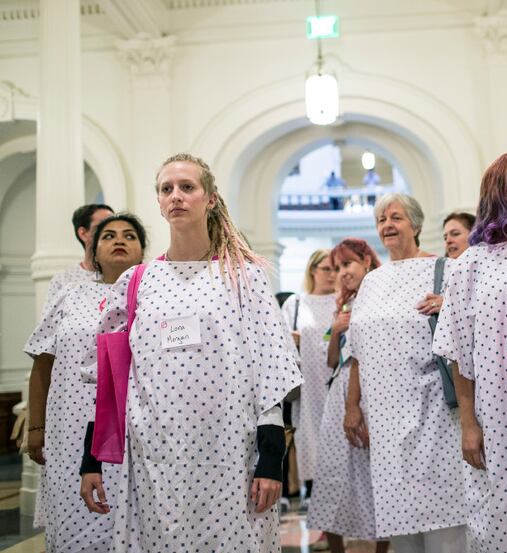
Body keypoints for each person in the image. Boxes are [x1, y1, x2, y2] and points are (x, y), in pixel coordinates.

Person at [79, 153, 302, 552]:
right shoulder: (138, 280)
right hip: (154, 454)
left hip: (231, 450)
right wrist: (90, 458)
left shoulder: (242, 275)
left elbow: (272, 371)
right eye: (167, 189)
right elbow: (111, 379)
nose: (176, 196)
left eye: (188, 187)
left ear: (210, 199)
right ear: (159, 202)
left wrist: (271, 461)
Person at [433, 153, 507, 552]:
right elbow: (457, 352)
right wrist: (469, 424)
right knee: (506, 515)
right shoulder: (471, 264)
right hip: (501, 413)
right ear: (502, 189)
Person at [345, 193, 474, 553]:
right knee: (401, 526)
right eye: (381, 220)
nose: (387, 225)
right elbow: (356, 350)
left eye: (396, 218)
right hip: (384, 423)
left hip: (433, 414)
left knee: (444, 524)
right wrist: (352, 406)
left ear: (415, 225)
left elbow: (467, 332)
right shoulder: (372, 281)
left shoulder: (444, 269)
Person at [25, 213, 146, 553]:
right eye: (108, 236)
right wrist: (36, 427)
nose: (119, 240)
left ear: (142, 250)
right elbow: (41, 361)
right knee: (74, 524)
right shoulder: (71, 295)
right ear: (93, 251)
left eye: (129, 235)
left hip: (129, 430)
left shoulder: (153, 295)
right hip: (69, 429)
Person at [307, 238, 389, 553]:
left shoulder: (379, 298)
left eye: (348, 264)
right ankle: (336, 548)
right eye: (337, 267)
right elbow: (332, 361)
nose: (342, 273)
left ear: (367, 262)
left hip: (372, 392)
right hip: (338, 393)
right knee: (331, 474)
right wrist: (337, 330)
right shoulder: (341, 304)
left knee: (376, 474)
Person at [280, 249, 336, 509]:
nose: (332, 275)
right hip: (309, 380)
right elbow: (279, 340)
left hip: (337, 378)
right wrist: (293, 340)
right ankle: (312, 489)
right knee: (310, 432)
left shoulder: (344, 301)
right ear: (313, 270)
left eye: (337, 269)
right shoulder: (296, 304)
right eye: (327, 269)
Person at [41, 204, 114, 307]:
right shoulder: (63, 280)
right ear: (83, 233)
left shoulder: (127, 274)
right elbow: (50, 321)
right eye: (102, 226)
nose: (111, 233)